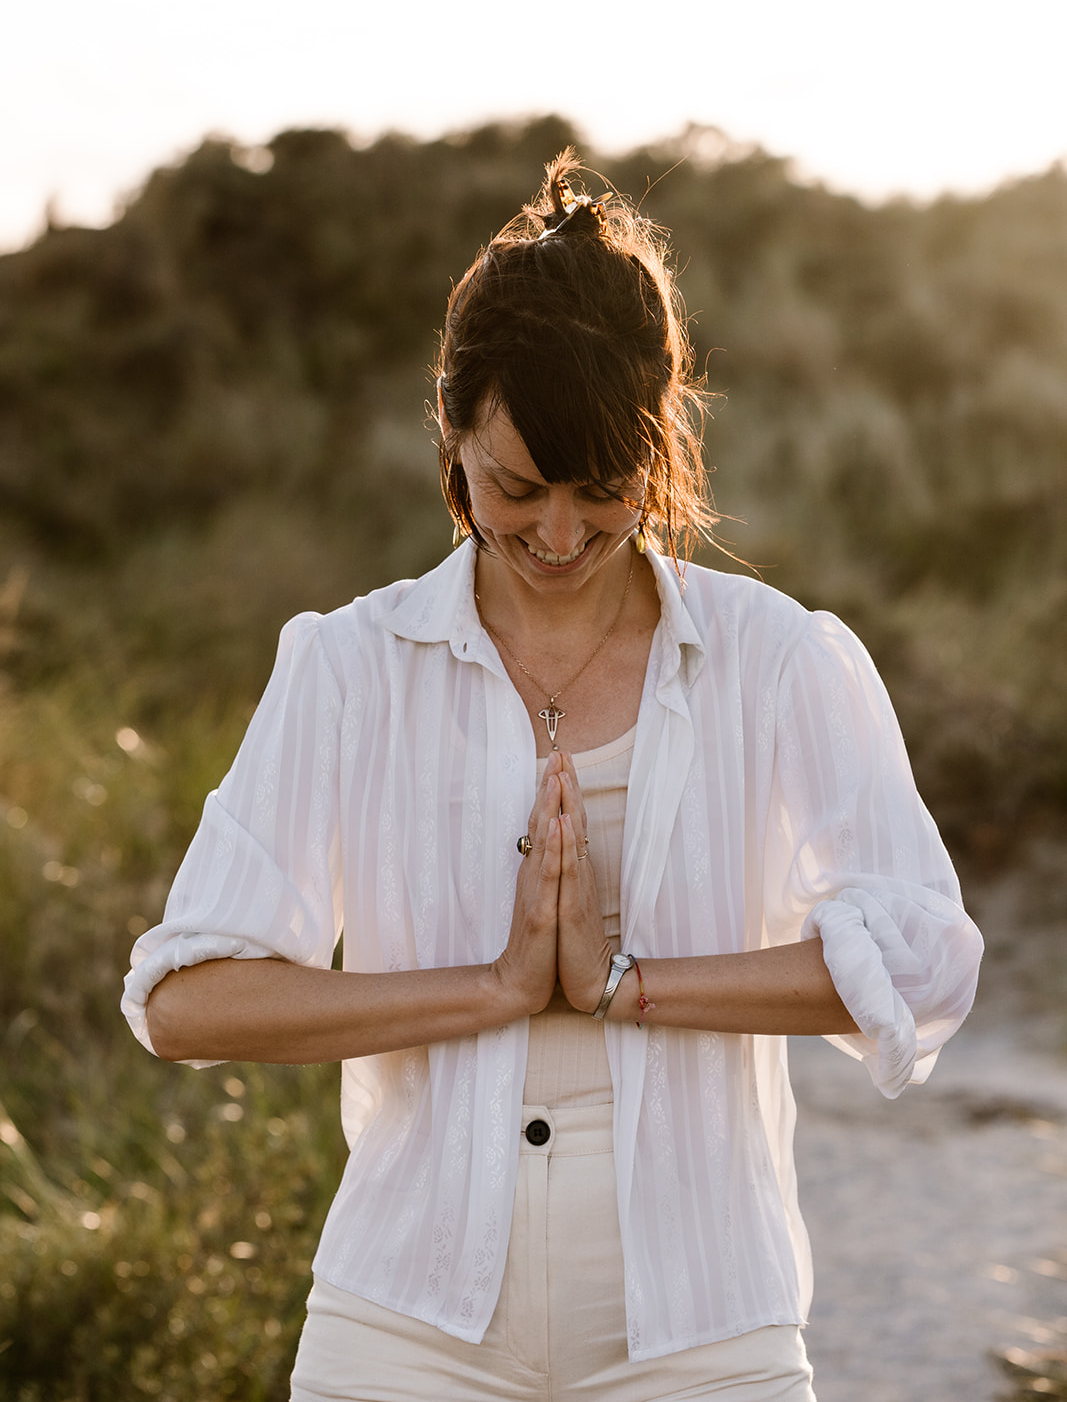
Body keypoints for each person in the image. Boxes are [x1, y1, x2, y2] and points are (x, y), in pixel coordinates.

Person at [122, 153, 983, 1401]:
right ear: (450, 430)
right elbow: (189, 998)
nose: (560, 533)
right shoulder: (349, 667)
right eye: (515, 487)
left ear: (662, 441)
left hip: (704, 1333)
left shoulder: (778, 660)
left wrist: (630, 986)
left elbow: (926, 959)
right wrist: (494, 986)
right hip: (403, 1327)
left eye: (605, 489)